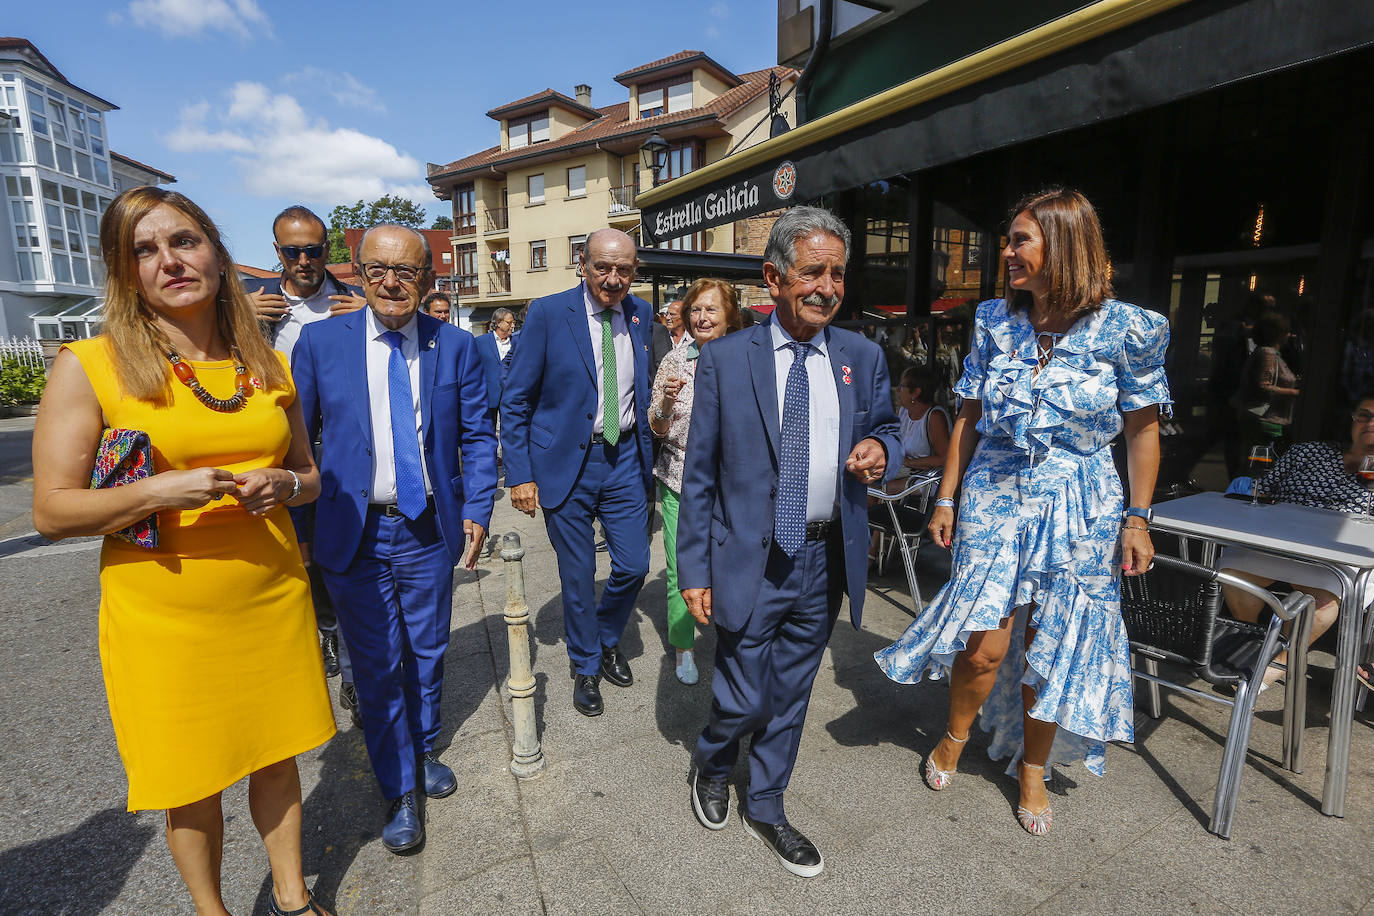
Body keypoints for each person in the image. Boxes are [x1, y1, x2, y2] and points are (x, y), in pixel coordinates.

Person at [31, 187, 335, 915]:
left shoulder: (261, 361)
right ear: (124, 269)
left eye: (185, 241)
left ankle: (292, 899)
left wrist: (283, 482)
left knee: (278, 754)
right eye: (145, 249)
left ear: (217, 254)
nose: (169, 260)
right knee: (191, 779)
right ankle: (213, 911)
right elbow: (51, 510)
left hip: (269, 592)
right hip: (163, 611)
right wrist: (158, 494)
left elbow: (312, 479)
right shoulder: (93, 364)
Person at [874, 188, 1170, 837]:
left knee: (1052, 644)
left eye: (1019, 241)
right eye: (1008, 240)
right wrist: (946, 496)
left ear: (1063, 245)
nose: (1006, 252)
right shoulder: (992, 321)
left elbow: (1143, 432)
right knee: (985, 642)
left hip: (1084, 498)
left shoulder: (1130, 330)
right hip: (997, 489)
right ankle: (956, 733)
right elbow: (971, 419)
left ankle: (1033, 768)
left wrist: (1139, 518)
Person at [677, 206, 901, 878]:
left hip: (825, 558)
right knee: (746, 696)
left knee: (793, 694)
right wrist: (693, 569)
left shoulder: (861, 356)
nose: (827, 287)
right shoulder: (723, 360)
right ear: (773, 277)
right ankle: (714, 760)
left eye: (837, 274)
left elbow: (888, 428)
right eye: (812, 273)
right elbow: (699, 476)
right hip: (751, 554)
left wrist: (878, 449)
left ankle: (767, 803)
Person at [292, 224, 497, 854]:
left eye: (407, 271)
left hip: (425, 529)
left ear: (427, 280)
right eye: (378, 269)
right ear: (355, 271)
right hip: (352, 531)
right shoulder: (321, 343)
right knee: (378, 664)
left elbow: (476, 436)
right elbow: (297, 447)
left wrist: (479, 506)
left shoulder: (455, 346)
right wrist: (301, 538)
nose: (391, 281)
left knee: (429, 650)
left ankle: (424, 745)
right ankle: (399, 786)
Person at [502, 228, 654, 718]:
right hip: (565, 462)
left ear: (635, 271)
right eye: (602, 267)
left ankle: (607, 637)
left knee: (633, 564)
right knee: (579, 572)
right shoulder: (548, 314)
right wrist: (520, 474)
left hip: (625, 456)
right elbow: (516, 399)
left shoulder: (641, 314)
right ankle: (586, 665)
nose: (613, 279)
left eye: (624, 269)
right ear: (583, 265)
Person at [242, 206, 366, 697]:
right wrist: (239, 321)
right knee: (302, 555)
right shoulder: (249, 305)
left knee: (346, 551)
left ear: (326, 250)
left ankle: (350, 648)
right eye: (292, 251)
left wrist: (373, 317)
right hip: (276, 447)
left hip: (336, 445)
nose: (304, 260)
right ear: (277, 253)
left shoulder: (353, 300)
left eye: (313, 250)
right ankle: (324, 630)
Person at [1220, 392, 1374, 687]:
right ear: (1352, 421)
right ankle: (1253, 643)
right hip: (1281, 541)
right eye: (1363, 415)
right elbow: (1264, 488)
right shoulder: (1310, 452)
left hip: (1337, 556)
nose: (1369, 423)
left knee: (1324, 602)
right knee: (1233, 572)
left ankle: (1276, 665)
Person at [648, 279, 745, 686]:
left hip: (734, 490)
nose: (702, 317)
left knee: (732, 571)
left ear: (729, 318)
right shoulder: (674, 361)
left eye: (712, 310)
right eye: (696, 310)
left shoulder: (747, 361)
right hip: (679, 483)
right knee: (680, 571)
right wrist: (667, 403)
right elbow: (656, 426)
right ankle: (683, 647)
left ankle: (733, 642)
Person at [1232, 310, 1300, 455]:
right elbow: (1264, 386)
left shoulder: (1263, 352)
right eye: (1286, 331)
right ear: (1278, 334)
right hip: (1266, 419)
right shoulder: (1268, 353)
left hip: (1263, 419)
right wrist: (1296, 393)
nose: (1289, 335)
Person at [475, 307, 518, 437]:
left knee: (511, 433)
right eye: (509, 322)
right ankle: (491, 457)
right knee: (488, 433)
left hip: (511, 396)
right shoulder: (480, 342)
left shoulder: (518, 341)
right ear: (498, 322)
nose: (513, 325)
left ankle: (508, 457)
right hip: (488, 396)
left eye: (514, 322)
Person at [650, 298, 687, 381]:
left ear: (684, 316)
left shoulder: (692, 339)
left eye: (672, 314)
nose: (667, 318)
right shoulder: (658, 337)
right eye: (666, 314)